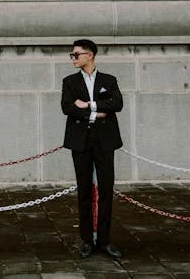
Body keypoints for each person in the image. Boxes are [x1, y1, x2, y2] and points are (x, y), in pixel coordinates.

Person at [61, 39, 123, 260]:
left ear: (90, 55)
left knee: (106, 190)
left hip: (105, 141)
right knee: (84, 190)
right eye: (72, 54)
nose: (73, 58)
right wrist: (97, 113)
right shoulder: (69, 82)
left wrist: (89, 105)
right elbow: (67, 107)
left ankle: (104, 240)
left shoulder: (109, 80)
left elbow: (117, 104)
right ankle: (87, 240)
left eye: (77, 54)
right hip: (81, 141)